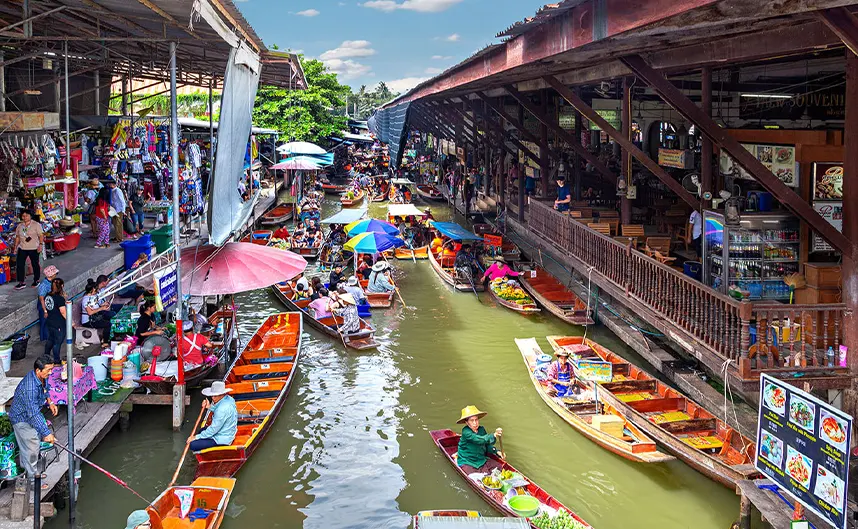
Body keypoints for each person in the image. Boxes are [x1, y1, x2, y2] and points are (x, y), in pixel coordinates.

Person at [10, 356, 57, 488]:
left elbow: (45, 389)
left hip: (32, 414)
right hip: (22, 418)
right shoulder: (30, 387)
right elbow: (33, 413)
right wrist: (46, 433)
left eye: (51, 369)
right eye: (48, 370)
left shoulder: (42, 378)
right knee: (32, 446)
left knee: (34, 442)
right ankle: (32, 481)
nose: (50, 373)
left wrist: (50, 401)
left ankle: (31, 471)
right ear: (38, 370)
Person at [188, 381, 237, 452]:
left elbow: (214, 429)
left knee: (193, 445)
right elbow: (220, 411)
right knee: (202, 430)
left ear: (222, 394)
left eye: (215, 396)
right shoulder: (229, 399)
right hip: (227, 432)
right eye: (212, 395)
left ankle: (209, 452)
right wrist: (209, 406)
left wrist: (196, 437)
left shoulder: (222, 410)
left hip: (222, 439)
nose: (213, 398)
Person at [455, 405, 503, 475]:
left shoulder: (481, 429)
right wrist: (493, 435)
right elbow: (479, 440)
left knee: (499, 467)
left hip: (481, 459)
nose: (475, 423)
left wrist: (497, 452)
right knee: (478, 477)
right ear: (467, 422)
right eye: (472, 420)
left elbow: (486, 444)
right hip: (468, 461)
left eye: (476, 420)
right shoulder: (466, 432)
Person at [13, 210, 44, 290]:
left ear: (30, 216)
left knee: (35, 264)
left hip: (34, 248)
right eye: (23, 216)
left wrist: (40, 245)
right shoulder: (20, 226)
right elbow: (17, 237)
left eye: (26, 215)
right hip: (22, 247)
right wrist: (15, 247)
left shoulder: (36, 225)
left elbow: (41, 235)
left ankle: (36, 280)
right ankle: (21, 282)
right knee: (20, 264)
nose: (25, 217)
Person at [81, 277, 115, 347]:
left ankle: (107, 337)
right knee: (108, 324)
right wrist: (101, 308)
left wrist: (103, 304)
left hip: (95, 317)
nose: (97, 291)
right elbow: (90, 312)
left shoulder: (93, 296)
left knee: (111, 317)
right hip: (88, 321)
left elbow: (96, 305)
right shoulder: (86, 300)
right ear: (93, 289)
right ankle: (105, 342)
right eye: (96, 289)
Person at [43, 278, 67, 363]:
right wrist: (71, 322)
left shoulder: (47, 296)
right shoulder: (59, 299)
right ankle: (56, 361)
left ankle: (46, 356)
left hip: (50, 321)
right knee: (57, 342)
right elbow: (63, 312)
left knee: (50, 339)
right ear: (62, 286)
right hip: (59, 323)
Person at [36, 265, 60, 341]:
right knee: (44, 322)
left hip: (51, 305)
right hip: (44, 306)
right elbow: (41, 299)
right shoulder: (43, 285)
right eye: (55, 273)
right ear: (51, 275)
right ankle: (45, 339)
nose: (56, 275)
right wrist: (45, 310)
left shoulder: (53, 282)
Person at [107, 178, 127, 243]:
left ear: (113, 184)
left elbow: (122, 201)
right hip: (113, 209)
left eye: (110, 184)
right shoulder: (112, 191)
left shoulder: (118, 191)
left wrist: (123, 211)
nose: (109, 185)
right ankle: (117, 236)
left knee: (118, 224)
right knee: (115, 224)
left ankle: (119, 238)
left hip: (119, 210)